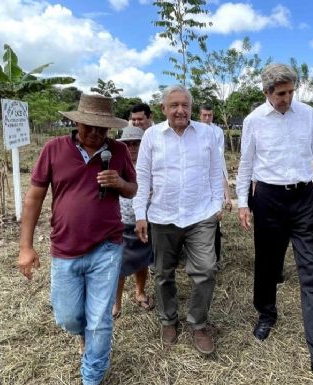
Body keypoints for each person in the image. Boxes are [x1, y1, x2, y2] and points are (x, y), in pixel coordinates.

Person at [236, 63, 313, 383]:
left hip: (302, 201)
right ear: (267, 92)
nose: (287, 98)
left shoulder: (308, 114)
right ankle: (266, 313)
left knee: (311, 272)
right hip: (268, 200)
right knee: (268, 264)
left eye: (291, 92)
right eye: (281, 93)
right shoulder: (254, 120)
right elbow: (245, 165)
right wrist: (243, 202)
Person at [17, 94, 136, 385]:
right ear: (76, 122)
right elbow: (34, 198)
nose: (95, 134)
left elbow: (132, 189)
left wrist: (119, 183)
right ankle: (83, 335)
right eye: (89, 127)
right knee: (69, 317)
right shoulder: (54, 149)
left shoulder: (118, 151)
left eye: (102, 129)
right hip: (65, 248)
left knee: (100, 320)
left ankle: (91, 376)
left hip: (107, 246)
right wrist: (26, 247)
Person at [133, 85, 223, 355]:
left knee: (206, 270)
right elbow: (143, 177)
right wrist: (140, 214)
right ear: (163, 109)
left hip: (200, 214)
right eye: (174, 105)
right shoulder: (151, 136)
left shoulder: (207, 134)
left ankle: (198, 324)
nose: (180, 110)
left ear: (191, 108)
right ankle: (168, 320)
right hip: (162, 215)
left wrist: (217, 204)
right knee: (163, 273)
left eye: (185, 105)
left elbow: (215, 171)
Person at [112, 125, 155, 319]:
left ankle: (140, 292)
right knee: (119, 265)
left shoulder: (151, 164)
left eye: (136, 143)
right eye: (127, 143)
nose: (132, 147)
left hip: (145, 221)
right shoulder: (115, 164)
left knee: (142, 260)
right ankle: (116, 302)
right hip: (120, 222)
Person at [199, 105, 232, 263]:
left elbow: (220, 162)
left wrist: (227, 196)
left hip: (213, 176)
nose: (207, 118)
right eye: (204, 115)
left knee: (214, 219)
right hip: (198, 179)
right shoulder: (194, 130)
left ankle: (216, 258)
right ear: (199, 116)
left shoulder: (217, 132)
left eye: (210, 115)